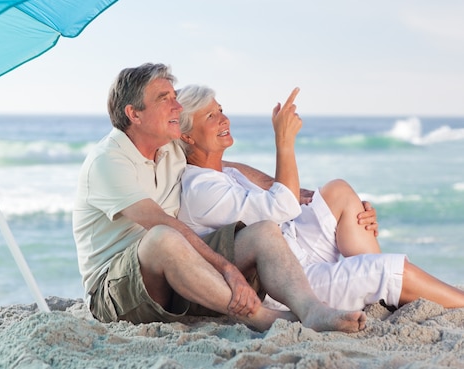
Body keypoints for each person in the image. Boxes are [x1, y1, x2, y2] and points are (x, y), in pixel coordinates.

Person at [72, 63, 368, 333]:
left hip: (175, 274)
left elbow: (225, 165)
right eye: (165, 99)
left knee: (263, 230)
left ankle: (312, 310)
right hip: (115, 292)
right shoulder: (108, 161)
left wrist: (278, 186)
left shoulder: (169, 148)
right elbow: (160, 223)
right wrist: (227, 269)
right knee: (163, 236)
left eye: (175, 97)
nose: (177, 106)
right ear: (134, 114)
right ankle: (260, 317)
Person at [176, 84, 464, 311]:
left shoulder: (225, 172)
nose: (224, 119)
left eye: (221, 109)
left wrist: (351, 221)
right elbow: (283, 206)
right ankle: (387, 281)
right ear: (186, 137)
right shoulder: (201, 190)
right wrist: (284, 141)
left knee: (337, 191)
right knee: (390, 270)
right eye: (210, 116)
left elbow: (284, 202)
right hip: (287, 278)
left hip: (296, 246)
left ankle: (377, 287)